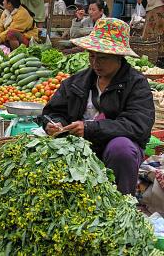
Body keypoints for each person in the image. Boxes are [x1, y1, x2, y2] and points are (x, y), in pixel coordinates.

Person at [43, 18, 154, 196]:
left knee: (121, 149)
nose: (95, 63)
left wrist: (89, 128)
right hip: (77, 145)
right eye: (92, 56)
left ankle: (122, 204)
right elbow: (54, 111)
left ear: (119, 57)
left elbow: (138, 125)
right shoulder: (77, 81)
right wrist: (54, 124)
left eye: (102, 58)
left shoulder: (136, 84)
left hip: (115, 146)